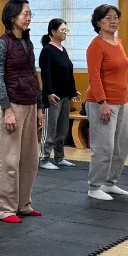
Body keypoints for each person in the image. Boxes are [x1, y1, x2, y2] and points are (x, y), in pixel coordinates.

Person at [0, 0, 44, 223]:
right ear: (12, 17)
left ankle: (23, 204)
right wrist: (6, 110)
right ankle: (3, 208)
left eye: (30, 13)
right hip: (11, 106)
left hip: (30, 103)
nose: (29, 17)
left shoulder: (27, 43)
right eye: (25, 14)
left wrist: (40, 106)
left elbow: (33, 74)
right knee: (8, 159)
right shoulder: (1, 44)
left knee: (30, 159)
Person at [85, 4, 128, 201]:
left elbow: (121, 73)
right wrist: (102, 102)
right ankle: (94, 186)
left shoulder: (118, 42)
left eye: (115, 17)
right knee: (104, 147)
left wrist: (127, 97)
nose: (113, 21)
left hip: (121, 101)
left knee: (123, 146)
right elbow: (94, 77)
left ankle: (109, 183)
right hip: (101, 103)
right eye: (108, 18)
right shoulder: (96, 45)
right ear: (98, 22)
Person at [38, 18, 78, 171]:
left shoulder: (63, 50)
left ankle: (60, 157)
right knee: (50, 129)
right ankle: (44, 158)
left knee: (62, 129)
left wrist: (73, 92)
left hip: (64, 96)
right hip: (52, 98)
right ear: (53, 31)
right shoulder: (47, 50)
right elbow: (45, 75)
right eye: (62, 30)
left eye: (66, 30)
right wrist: (48, 93)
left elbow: (68, 71)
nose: (65, 33)